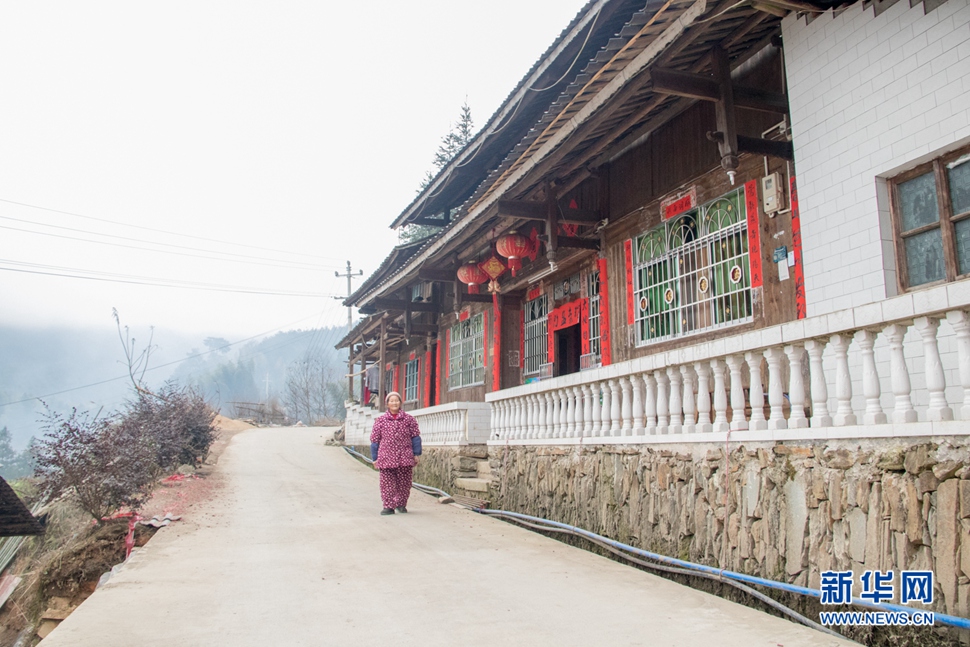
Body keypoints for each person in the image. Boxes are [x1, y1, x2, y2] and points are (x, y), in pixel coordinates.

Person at [370, 391, 422, 515]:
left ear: (400, 403)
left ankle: (401, 504)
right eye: (391, 401)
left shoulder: (409, 419)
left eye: (396, 400)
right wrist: (374, 458)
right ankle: (388, 506)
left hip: (405, 456)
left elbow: (415, 437)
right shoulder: (380, 420)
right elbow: (374, 440)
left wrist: (416, 454)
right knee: (387, 483)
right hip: (386, 457)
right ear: (387, 404)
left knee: (404, 483)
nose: (394, 403)